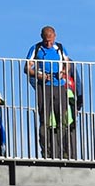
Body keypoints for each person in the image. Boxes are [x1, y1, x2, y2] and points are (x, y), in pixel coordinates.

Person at [24, 26, 75, 159]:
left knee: (62, 120)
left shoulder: (60, 48)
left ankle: (63, 151)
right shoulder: (36, 49)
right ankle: (46, 151)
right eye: (46, 41)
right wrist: (39, 75)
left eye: (51, 40)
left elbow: (67, 62)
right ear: (42, 37)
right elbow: (27, 67)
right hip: (44, 87)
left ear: (55, 36)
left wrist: (64, 72)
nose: (49, 43)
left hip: (60, 86)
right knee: (45, 120)